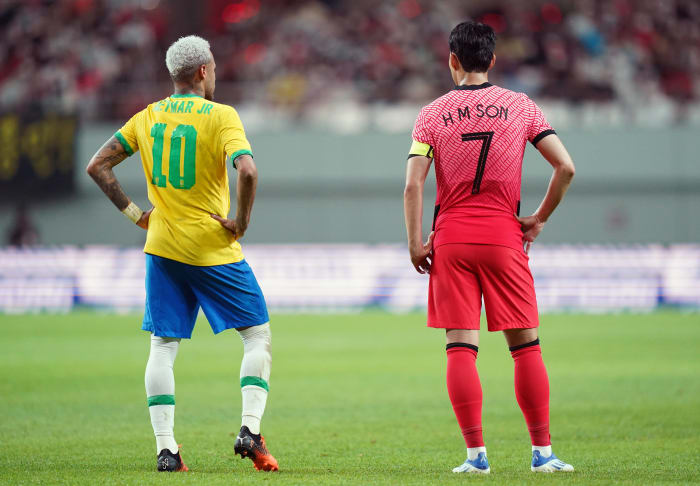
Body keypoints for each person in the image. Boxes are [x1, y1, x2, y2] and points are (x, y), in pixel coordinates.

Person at [86, 35, 278, 473]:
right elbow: (247, 169)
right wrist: (241, 221)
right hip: (212, 247)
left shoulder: (148, 116)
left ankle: (167, 451)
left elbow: (97, 165)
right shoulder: (221, 116)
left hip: (163, 247)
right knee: (256, 335)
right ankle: (249, 428)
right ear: (203, 72)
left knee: (163, 345)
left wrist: (137, 215)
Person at [403, 21, 576, 474]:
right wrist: (538, 218)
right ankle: (542, 454)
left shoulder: (431, 114)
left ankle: (476, 456)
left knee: (460, 347)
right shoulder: (520, 106)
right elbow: (566, 167)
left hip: (452, 239)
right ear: (493, 61)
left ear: (452, 61)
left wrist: (416, 243)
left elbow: (412, 185)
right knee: (526, 348)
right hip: (504, 238)